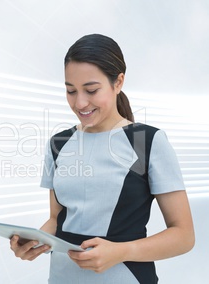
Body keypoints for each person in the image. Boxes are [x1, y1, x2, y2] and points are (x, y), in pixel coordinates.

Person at [10, 34, 195, 283]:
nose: (80, 102)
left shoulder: (145, 141)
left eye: (91, 90)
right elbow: (57, 219)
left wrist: (121, 251)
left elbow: (183, 235)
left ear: (118, 82)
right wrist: (35, 243)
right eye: (70, 91)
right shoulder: (59, 144)